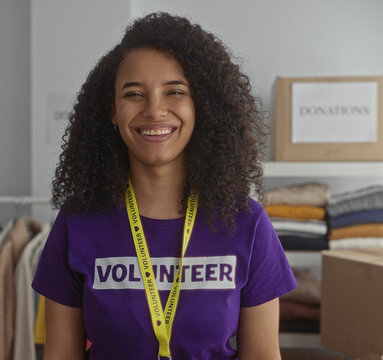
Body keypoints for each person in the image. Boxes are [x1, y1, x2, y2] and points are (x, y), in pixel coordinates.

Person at [32, 12, 297, 360]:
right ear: (112, 110)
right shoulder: (77, 223)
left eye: (174, 91)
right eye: (133, 94)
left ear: (200, 104)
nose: (155, 110)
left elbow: (263, 355)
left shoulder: (246, 223)